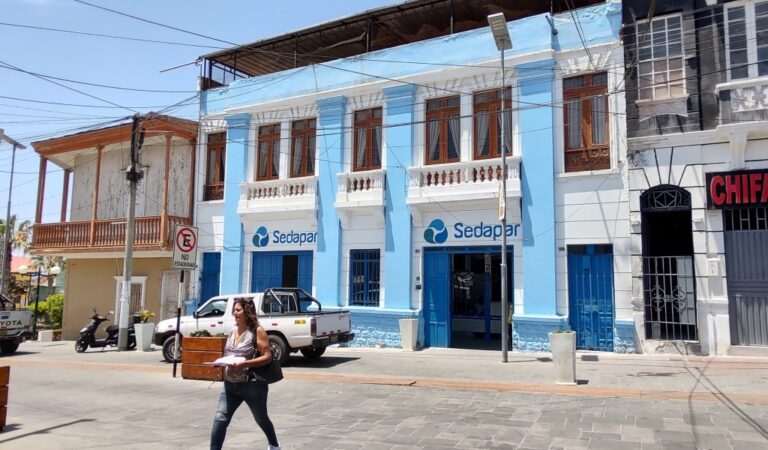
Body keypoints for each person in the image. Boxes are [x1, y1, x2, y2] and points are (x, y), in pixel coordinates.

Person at [210, 298, 281, 450]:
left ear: (247, 312)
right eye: (234, 310)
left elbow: (267, 356)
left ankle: (274, 445)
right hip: (230, 385)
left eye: (238, 310)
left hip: (252, 386)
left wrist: (246, 363)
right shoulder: (232, 331)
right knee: (220, 419)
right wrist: (221, 362)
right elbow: (229, 353)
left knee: (261, 418)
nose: (234, 313)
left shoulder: (257, 331)